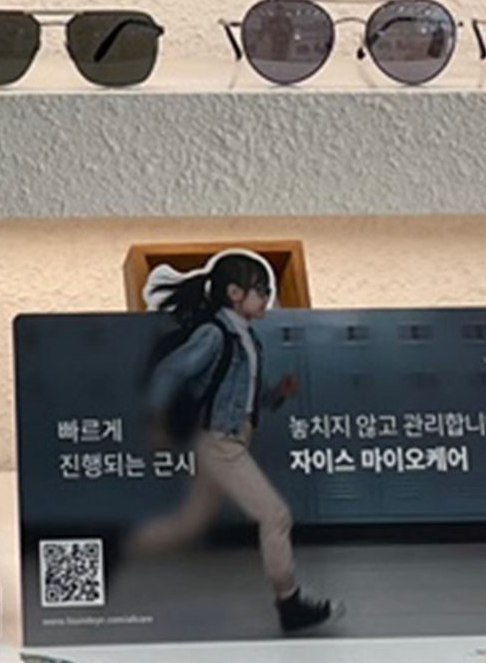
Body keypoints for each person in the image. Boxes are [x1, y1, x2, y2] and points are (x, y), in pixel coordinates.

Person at [125, 254, 335, 633]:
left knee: (188, 523)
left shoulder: (247, 338)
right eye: (261, 290)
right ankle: (289, 602)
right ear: (235, 293)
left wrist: (278, 393)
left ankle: (122, 549)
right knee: (275, 515)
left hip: (233, 437)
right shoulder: (216, 334)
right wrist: (156, 419)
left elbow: (246, 396)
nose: (267, 297)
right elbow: (171, 370)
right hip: (219, 441)